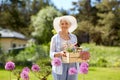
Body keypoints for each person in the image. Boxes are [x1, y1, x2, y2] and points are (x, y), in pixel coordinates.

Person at [50, 15, 79, 80]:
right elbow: (51, 54)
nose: (64, 25)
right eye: (62, 24)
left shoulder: (74, 37)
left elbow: (76, 48)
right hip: (60, 66)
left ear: (69, 25)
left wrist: (77, 50)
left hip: (72, 65)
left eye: (66, 23)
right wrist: (60, 53)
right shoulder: (55, 38)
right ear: (59, 25)